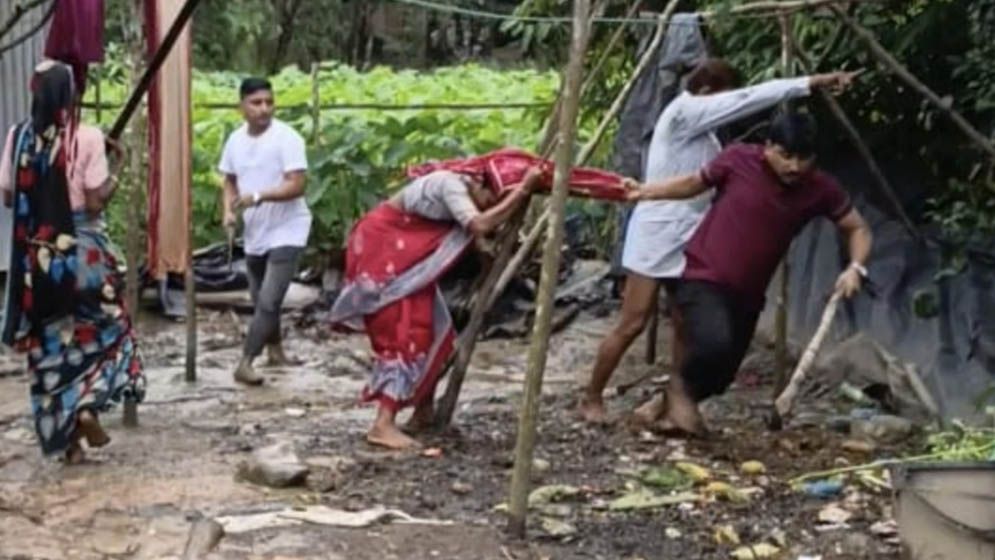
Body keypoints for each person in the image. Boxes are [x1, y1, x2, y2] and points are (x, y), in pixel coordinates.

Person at [579, 58, 861, 424]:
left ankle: (675, 401)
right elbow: (748, 99)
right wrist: (810, 81)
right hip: (658, 230)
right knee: (633, 321)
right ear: (709, 93)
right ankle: (592, 396)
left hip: (693, 232)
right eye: (723, 98)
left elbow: (705, 181)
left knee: (688, 323)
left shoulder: (709, 136)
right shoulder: (685, 112)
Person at [329, 148, 629, 450]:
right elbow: (480, 224)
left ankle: (423, 411)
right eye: (493, 199)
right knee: (406, 332)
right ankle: (383, 424)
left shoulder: (462, 188)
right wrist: (523, 188)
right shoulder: (450, 185)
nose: (494, 206)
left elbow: (477, 231)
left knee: (437, 331)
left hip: (408, 263)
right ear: (482, 186)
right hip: (387, 256)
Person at [624, 110, 873, 436]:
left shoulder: (820, 189)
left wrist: (855, 268)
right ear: (767, 146)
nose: (794, 167)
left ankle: (663, 403)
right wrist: (646, 191)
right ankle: (678, 398)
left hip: (749, 292)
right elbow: (692, 183)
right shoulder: (738, 159)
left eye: (803, 158)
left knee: (723, 374)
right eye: (785, 156)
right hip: (703, 273)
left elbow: (857, 228)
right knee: (714, 343)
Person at [0, 60, 145, 464]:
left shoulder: (18, 138)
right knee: (110, 331)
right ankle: (88, 404)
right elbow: (97, 199)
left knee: (49, 347)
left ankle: (68, 443)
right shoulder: (87, 137)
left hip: (38, 263)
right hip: (85, 255)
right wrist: (117, 167)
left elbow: (9, 196)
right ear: (71, 95)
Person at [220, 77, 311, 386]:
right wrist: (228, 210)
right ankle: (276, 350)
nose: (264, 109)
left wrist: (258, 196)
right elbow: (229, 180)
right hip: (256, 230)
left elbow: (296, 184)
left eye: (269, 103)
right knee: (261, 300)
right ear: (241, 107)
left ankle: (246, 362)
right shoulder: (235, 140)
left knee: (270, 300)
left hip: (289, 227)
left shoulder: (288, 138)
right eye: (256, 103)